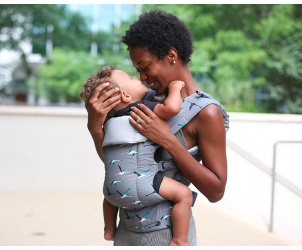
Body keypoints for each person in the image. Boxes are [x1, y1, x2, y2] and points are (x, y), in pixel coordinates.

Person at [86, 10, 229, 246]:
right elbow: (122, 168)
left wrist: (168, 140)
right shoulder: (143, 103)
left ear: (171, 55)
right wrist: (95, 128)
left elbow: (216, 191)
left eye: (145, 66)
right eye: (137, 70)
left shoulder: (205, 112)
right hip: (125, 234)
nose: (141, 78)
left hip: (168, 236)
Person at [80, 65, 194, 246]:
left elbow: (108, 159)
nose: (136, 77)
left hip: (112, 190)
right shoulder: (140, 109)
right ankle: (180, 240)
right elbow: (171, 109)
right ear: (125, 96)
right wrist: (175, 87)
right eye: (130, 78)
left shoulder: (108, 124)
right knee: (184, 195)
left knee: (111, 196)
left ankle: (109, 229)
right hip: (143, 183)